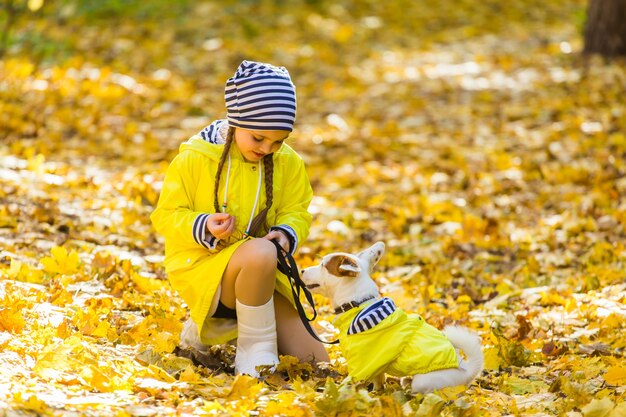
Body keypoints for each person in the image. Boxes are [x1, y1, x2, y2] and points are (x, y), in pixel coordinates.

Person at [150, 60, 329, 377]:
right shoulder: (196, 158)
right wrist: (203, 224)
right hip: (204, 268)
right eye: (259, 138)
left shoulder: (287, 162)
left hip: (261, 275)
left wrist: (287, 233)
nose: (267, 149)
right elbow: (166, 215)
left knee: (315, 361)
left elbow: (297, 208)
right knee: (261, 253)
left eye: (278, 141)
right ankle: (253, 348)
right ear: (235, 122)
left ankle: (213, 330)